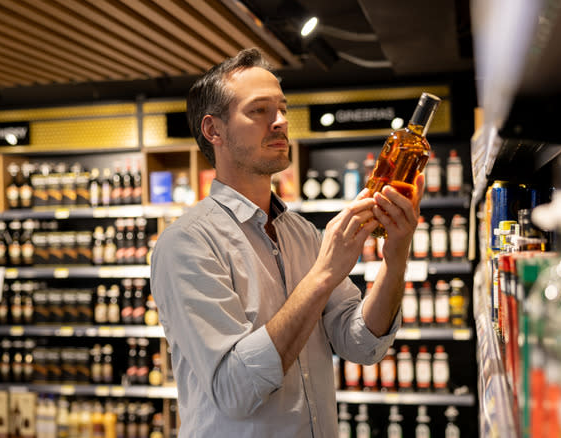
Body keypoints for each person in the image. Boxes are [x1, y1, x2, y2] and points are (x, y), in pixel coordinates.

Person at [151, 48, 425, 437]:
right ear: (214, 131)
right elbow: (235, 389)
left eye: (282, 108)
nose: (280, 121)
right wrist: (324, 274)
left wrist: (396, 255)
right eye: (259, 110)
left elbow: (361, 344)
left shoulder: (302, 233)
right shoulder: (187, 245)